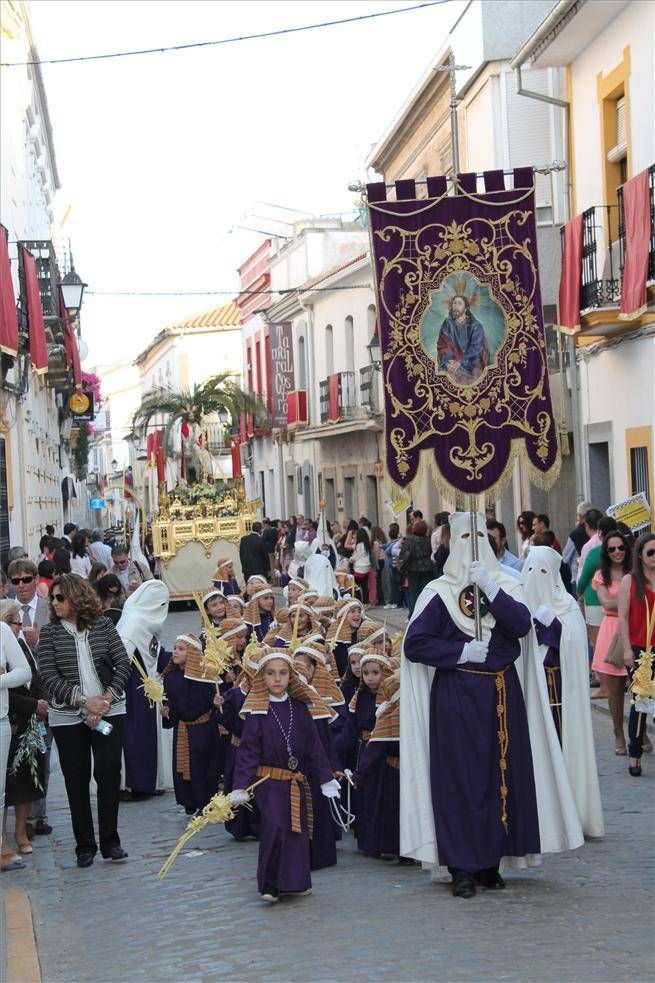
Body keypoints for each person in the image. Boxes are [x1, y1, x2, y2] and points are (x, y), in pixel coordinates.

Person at [401, 512, 583, 898]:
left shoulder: (508, 584)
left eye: (481, 533)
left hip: (501, 694)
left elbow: (520, 626)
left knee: (500, 776)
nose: (474, 541)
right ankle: (461, 866)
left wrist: (493, 590)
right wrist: (460, 650)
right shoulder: (439, 592)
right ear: (451, 540)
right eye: (465, 535)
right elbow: (415, 644)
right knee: (460, 780)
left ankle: (488, 861)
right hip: (456, 695)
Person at [230, 645, 338, 903]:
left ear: (291, 676)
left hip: (296, 782)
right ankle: (270, 885)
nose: (277, 679)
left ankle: (297, 882)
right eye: (270, 674)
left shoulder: (299, 708)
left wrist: (326, 778)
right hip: (269, 783)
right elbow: (247, 752)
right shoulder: (257, 712)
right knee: (275, 826)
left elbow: (313, 747)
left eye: (282, 673)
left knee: (296, 830)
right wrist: (240, 785)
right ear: (262, 677)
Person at [36, 574, 131, 867]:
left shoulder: (103, 625)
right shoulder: (50, 633)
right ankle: (84, 846)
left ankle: (110, 842)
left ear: (77, 597)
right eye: (52, 598)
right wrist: (82, 701)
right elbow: (48, 676)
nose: (54, 602)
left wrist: (105, 700)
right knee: (76, 779)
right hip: (67, 717)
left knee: (108, 772)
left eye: (60, 597)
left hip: (108, 710)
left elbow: (123, 663)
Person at [521, 546, 604, 838]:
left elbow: (575, 644)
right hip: (532, 694)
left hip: (560, 694)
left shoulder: (567, 606)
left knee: (563, 747)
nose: (535, 578)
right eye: (530, 571)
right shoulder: (518, 602)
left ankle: (568, 812)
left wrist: (554, 626)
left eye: (543, 572)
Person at [0, 600, 48, 864]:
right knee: (7, 786)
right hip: (13, 719)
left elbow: (33, 676)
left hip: (30, 724)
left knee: (28, 783)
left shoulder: (21, 646)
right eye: (17, 622)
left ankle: (21, 834)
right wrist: (34, 705)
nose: (22, 627)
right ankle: (5, 839)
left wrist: (41, 702)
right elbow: (10, 692)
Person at [7, 558, 52, 836]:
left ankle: (39, 815)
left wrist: (40, 640)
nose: (22, 585)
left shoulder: (49, 609)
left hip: (49, 692)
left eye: (27, 579)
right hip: (19, 698)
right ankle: (24, 818)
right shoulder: (6, 612)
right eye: (16, 581)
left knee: (44, 755)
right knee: (23, 756)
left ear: (36, 580)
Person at [116, 580, 171, 799]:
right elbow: (121, 655)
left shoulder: (148, 621)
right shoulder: (134, 621)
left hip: (148, 685)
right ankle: (135, 783)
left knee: (148, 735)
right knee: (134, 735)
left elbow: (154, 652)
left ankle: (147, 780)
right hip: (131, 687)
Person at [160, 634, 221, 814]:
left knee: (205, 769)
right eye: (175, 648)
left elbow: (212, 704)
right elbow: (169, 703)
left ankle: (206, 803)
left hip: (204, 729)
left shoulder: (205, 676)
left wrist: (216, 703)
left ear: (193, 653)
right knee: (185, 768)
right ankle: (189, 801)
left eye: (181, 649)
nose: (175, 652)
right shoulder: (170, 678)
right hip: (183, 729)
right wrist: (166, 712)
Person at [351, 670, 402, 861]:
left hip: (405, 772)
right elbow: (376, 748)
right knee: (392, 811)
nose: (370, 677)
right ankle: (396, 848)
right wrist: (360, 775)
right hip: (392, 771)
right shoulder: (388, 715)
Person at [590, 532, 632, 754]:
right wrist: (630, 598)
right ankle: (618, 734)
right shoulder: (601, 575)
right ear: (606, 552)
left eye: (621, 547)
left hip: (635, 629)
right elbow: (606, 601)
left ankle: (639, 729)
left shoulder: (636, 572)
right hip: (611, 631)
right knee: (615, 689)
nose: (617, 552)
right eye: (612, 549)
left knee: (639, 687)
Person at [618, 532, 655, 776]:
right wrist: (627, 649)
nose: (654, 557)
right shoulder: (630, 581)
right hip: (641, 650)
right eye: (650, 552)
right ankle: (634, 753)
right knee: (640, 704)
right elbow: (622, 616)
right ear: (640, 555)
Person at [0, 621, 32, 871]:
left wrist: (1, 679)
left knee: (0, 791)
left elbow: (24, 671)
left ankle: (1, 848)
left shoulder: (2, 630)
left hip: (0, 721)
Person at [577, 515, 618, 681]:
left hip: (595, 600)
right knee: (616, 640)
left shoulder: (595, 552)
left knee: (598, 642)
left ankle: (602, 680)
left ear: (600, 532)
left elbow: (584, 577)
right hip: (618, 601)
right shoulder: (622, 549)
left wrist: (578, 593)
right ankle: (618, 674)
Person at [436, 294, 489, 383]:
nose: (456, 306)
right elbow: (443, 344)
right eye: (454, 303)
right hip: (452, 361)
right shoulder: (448, 323)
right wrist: (448, 362)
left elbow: (476, 349)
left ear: (465, 308)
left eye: (459, 303)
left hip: (471, 363)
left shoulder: (475, 326)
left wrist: (459, 362)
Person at [398, 519, 434, 616]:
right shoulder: (428, 539)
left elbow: (403, 554)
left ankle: (413, 614)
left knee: (414, 593)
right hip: (427, 568)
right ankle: (426, 613)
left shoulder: (409, 539)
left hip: (413, 568)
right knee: (426, 592)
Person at [562, 501, 592, 588]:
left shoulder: (575, 534)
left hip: (578, 576)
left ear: (581, 517)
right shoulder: (600, 531)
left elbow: (565, 558)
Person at [352, 528, 372, 604]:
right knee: (364, 586)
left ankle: (359, 601)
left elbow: (356, 556)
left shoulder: (360, 545)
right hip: (366, 567)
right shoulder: (366, 544)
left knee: (356, 586)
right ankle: (366, 602)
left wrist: (351, 559)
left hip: (360, 568)